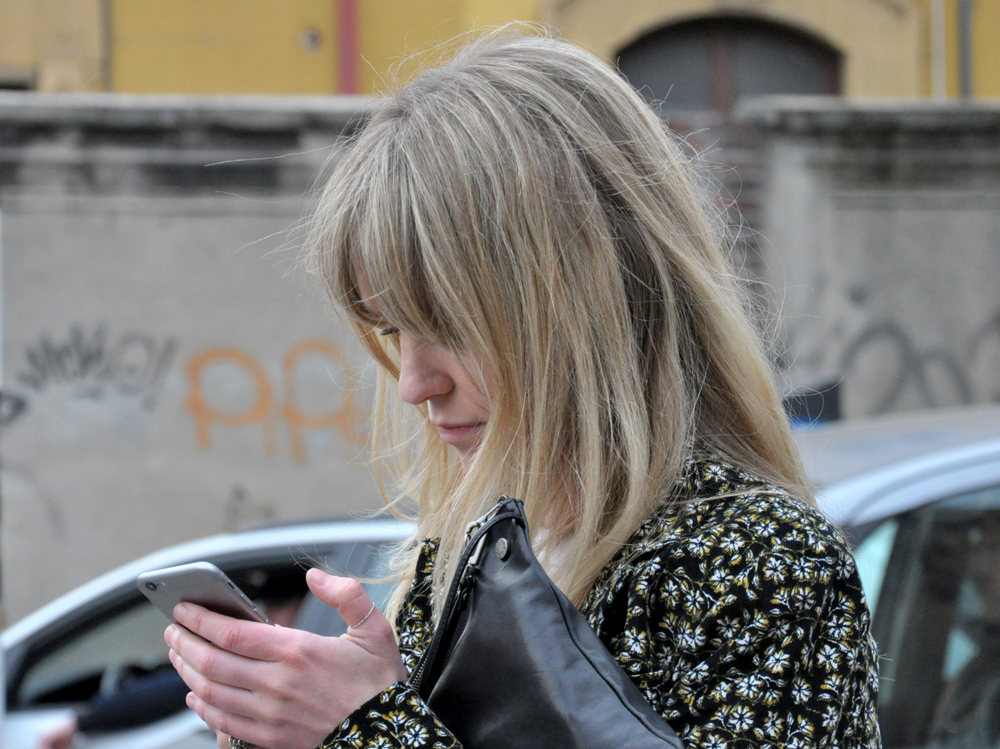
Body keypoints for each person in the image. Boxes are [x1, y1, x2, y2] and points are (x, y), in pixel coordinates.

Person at [165, 29, 881, 749]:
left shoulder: (762, 560)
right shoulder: (466, 550)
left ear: (587, 297)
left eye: (450, 324)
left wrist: (364, 728)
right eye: (392, 330)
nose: (414, 383)